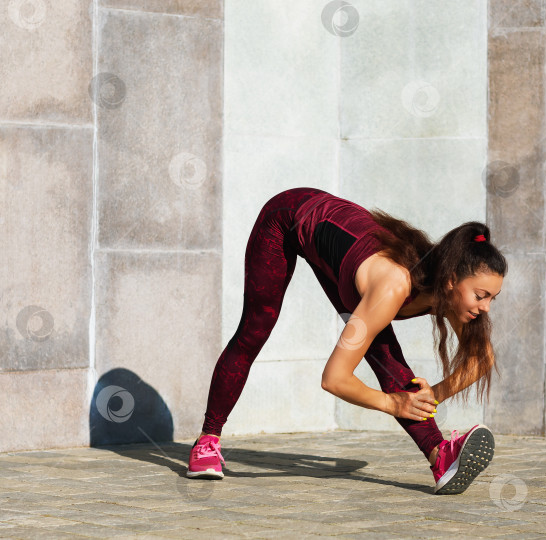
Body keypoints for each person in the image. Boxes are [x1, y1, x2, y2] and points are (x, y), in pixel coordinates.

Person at [186, 187, 507, 495]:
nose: (486, 308)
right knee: (254, 329)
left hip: (340, 257)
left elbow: (483, 359)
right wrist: (393, 402)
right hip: (285, 218)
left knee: (388, 358)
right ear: (452, 281)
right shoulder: (393, 288)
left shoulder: (449, 296)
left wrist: (433, 394)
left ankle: (441, 458)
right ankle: (207, 440)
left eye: (492, 298)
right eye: (481, 296)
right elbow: (334, 378)